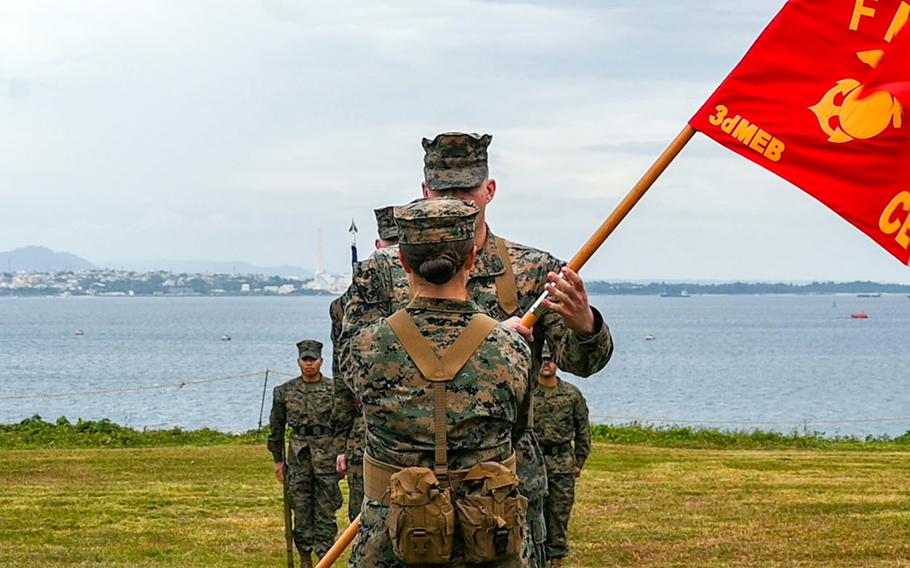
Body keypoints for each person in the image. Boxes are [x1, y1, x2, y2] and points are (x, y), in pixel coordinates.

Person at [340, 132, 614, 568]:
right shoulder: (380, 274)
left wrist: (585, 325)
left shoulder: (531, 270)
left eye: (466, 189)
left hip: (499, 490)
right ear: (425, 191)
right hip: (403, 487)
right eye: (444, 190)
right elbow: (350, 366)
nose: (457, 201)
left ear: (489, 189)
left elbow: (583, 363)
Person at [347, 197, 533, 567]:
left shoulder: (365, 347)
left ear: (402, 262)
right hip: (487, 537)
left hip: (393, 540)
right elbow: (517, 429)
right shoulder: (512, 348)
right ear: (472, 259)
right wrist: (499, 338)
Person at [330, 205, 400, 523]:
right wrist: (341, 443)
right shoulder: (346, 306)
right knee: (367, 519)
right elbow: (343, 377)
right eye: (390, 246)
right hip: (368, 428)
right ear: (377, 248)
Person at [267, 340, 343, 568]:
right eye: (305, 360)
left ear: (321, 361)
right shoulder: (285, 391)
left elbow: (343, 423)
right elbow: (276, 428)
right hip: (299, 457)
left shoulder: (334, 390)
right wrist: (278, 460)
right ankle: (305, 559)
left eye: (313, 360)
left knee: (326, 508)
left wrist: (342, 454)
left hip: (326, 455)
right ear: (299, 362)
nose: (309, 365)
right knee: (300, 507)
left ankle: (325, 556)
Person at [533, 347, 591, 567]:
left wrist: (579, 461)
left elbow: (583, 430)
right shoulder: (529, 392)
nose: (547, 364)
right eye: (544, 359)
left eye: (551, 360)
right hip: (534, 463)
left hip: (562, 463)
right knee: (532, 513)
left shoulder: (571, 394)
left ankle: (555, 559)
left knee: (559, 514)